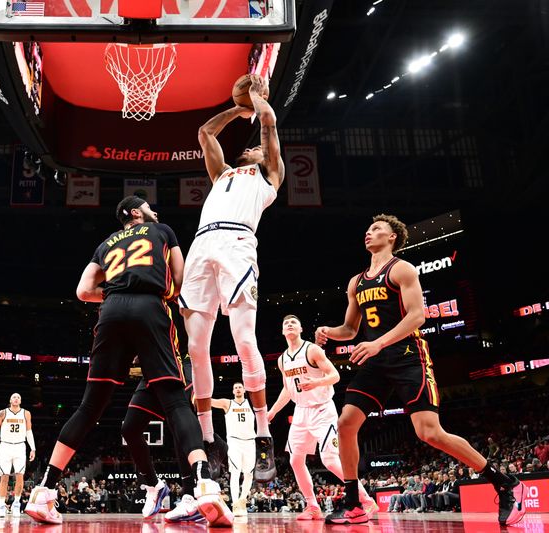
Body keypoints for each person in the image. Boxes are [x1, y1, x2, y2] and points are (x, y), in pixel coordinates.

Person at [25, 196, 231, 527]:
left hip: (111, 310)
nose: (155, 209)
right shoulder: (162, 230)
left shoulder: (105, 243)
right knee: (177, 403)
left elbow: (82, 291)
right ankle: (204, 483)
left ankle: (44, 491)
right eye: (150, 205)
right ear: (136, 212)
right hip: (151, 307)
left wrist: (113, 295)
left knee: (89, 408)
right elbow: (180, 280)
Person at [315, 214, 527, 526]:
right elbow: (350, 328)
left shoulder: (401, 269)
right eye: (368, 228)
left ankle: (505, 483)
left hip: (407, 355)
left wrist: (378, 344)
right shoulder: (356, 282)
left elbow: (417, 316)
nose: (368, 232)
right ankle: (353, 503)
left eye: (376, 229)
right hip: (376, 361)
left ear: (392, 238)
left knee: (429, 433)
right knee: (346, 424)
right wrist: (329, 331)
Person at [180, 74, 284, 482]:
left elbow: (270, 125)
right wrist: (238, 109)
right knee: (196, 347)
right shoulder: (222, 174)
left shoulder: (268, 176)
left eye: (257, 147)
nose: (254, 147)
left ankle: (262, 434)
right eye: (252, 145)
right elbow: (205, 132)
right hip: (202, 246)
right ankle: (208, 439)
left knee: (244, 340)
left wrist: (257, 101)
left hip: (238, 243)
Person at [268, 314, 377, 520]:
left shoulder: (312, 349)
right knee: (295, 460)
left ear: (300, 329)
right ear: (283, 332)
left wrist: (316, 383)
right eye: (286, 323)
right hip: (301, 411)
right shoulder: (283, 359)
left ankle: (366, 500)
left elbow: (335, 375)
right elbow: (287, 390)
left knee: (329, 459)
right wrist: (273, 411)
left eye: (294, 323)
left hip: (322, 409)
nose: (289, 325)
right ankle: (312, 506)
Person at [121, 354, 204, 522]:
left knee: (178, 424)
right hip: (152, 369)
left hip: (178, 363)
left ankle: (190, 496)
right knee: (130, 429)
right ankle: (155, 485)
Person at [0, 392, 36, 518]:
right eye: (14, 397)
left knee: (20, 476)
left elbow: (29, 431)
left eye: (18, 397)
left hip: (20, 446)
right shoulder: (3, 412)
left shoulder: (26, 413)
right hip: (5, 446)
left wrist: (33, 448)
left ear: (20, 401)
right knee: (4, 477)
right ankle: (2, 505)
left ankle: (16, 504)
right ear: (10, 400)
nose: (16, 398)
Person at [210, 382, 256, 517]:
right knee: (235, 472)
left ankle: (242, 500)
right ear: (232, 391)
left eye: (240, 387)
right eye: (235, 387)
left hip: (250, 442)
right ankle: (235, 504)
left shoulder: (251, 404)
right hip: (234, 442)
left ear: (244, 390)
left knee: (249, 474)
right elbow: (210, 401)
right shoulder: (227, 403)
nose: (237, 389)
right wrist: (196, 394)